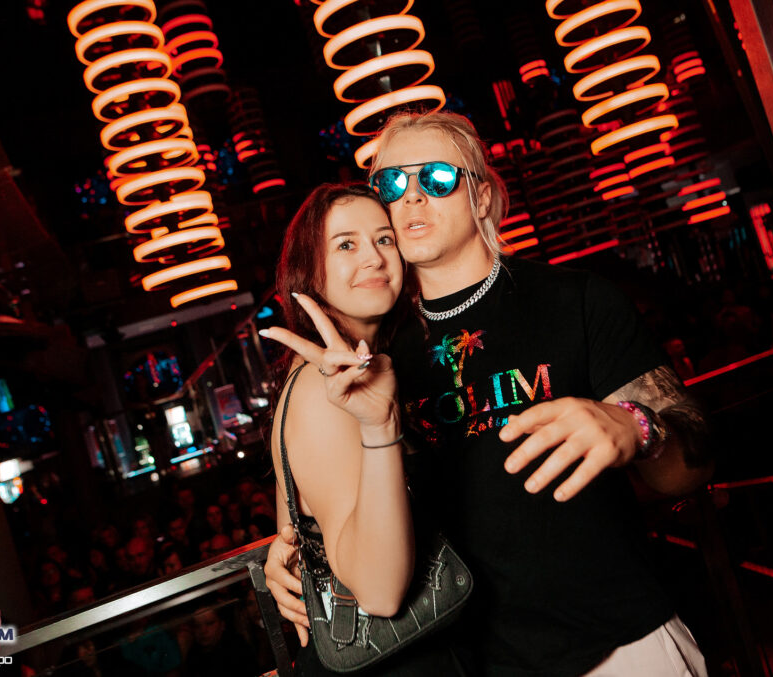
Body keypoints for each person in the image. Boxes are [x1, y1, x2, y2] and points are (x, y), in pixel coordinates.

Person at [266, 111, 713, 676]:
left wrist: (636, 426)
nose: (412, 196)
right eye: (393, 184)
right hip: (476, 665)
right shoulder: (374, 360)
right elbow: (331, 498)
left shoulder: (574, 300)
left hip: (620, 646)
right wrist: (295, 548)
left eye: (437, 177)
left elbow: (691, 464)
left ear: (480, 197)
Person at [261, 183, 466, 675]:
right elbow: (379, 593)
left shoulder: (364, 371)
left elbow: (295, 531)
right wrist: (379, 427)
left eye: (384, 239)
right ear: (310, 272)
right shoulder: (322, 389)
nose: (373, 257)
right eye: (346, 244)